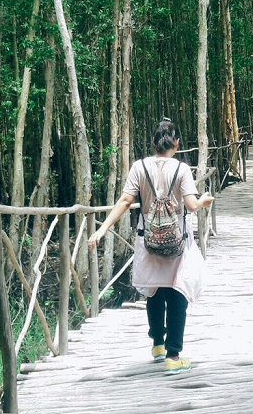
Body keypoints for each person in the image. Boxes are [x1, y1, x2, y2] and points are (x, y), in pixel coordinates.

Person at [88, 118, 213, 374]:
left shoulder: (138, 166)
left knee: (155, 289)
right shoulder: (181, 168)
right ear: (176, 143)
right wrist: (204, 201)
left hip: (148, 238)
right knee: (177, 291)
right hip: (178, 240)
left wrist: (101, 229)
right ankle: (173, 355)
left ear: (153, 143)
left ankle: (157, 344)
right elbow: (191, 205)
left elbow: (125, 201)